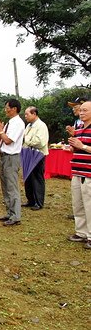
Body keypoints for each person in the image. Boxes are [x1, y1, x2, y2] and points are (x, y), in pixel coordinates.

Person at [0, 99, 25, 226]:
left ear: (14, 109)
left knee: (12, 186)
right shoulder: (9, 123)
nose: (5, 110)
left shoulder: (18, 123)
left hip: (11, 157)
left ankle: (15, 216)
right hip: (4, 156)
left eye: (7, 107)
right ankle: (10, 212)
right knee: (5, 186)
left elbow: (8, 141)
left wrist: (1, 130)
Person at [67, 100, 91, 249]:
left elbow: (84, 147)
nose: (81, 113)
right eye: (80, 110)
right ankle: (81, 232)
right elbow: (79, 148)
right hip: (77, 171)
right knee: (78, 204)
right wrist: (74, 146)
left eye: (85, 110)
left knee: (90, 205)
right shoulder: (80, 128)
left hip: (88, 173)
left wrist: (81, 146)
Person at [22, 106, 49, 210]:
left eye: (27, 114)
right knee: (28, 178)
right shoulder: (29, 125)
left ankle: (39, 202)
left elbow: (39, 142)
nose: (25, 116)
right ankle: (30, 200)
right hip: (27, 153)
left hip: (37, 154)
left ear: (34, 114)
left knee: (37, 178)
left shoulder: (41, 126)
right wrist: (27, 140)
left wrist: (27, 140)